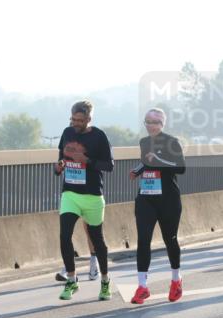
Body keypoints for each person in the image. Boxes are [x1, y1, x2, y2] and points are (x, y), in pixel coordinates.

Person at [54, 100, 115, 300]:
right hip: (70, 193)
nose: (75, 123)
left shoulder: (99, 136)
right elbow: (60, 157)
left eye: (79, 120)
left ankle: (105, 281)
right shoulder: (67, 132)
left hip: (92, 195)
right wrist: (59, 167)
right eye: (73, 119)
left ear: (89, 119)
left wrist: (87, 161)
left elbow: (109, 165)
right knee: (64, 236)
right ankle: (72, 280)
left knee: (97, 240)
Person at [129, 108, 185, 304]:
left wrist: (158, 160)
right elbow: (147, 162)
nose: (151, 125)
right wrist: (137, 170)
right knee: (143, 240)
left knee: (170, 240)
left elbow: (181, 168)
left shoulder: (172, 142)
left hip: (168, 200)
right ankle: (142, 286)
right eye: (148, 122)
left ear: (162, 124)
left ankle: (176, 280)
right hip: (146, 198)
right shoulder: (144, 142)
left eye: (155, 122)